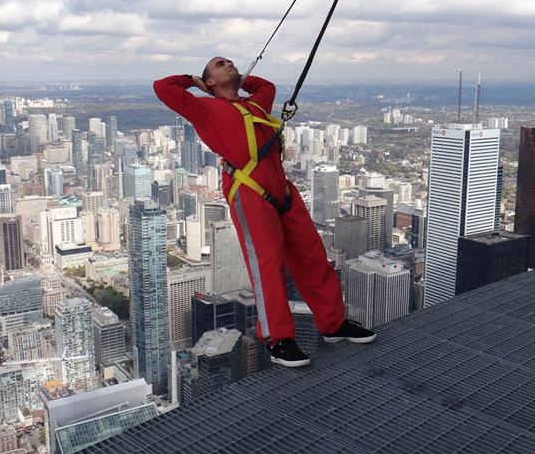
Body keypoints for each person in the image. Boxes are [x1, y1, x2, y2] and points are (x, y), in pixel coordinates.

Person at [153, 56, 375, 368]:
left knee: (313, 255)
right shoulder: (203, 109)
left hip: (282, 190)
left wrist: (239, 81)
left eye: (229, 61)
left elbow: (267, 86)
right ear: (210, 82)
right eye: (219, 64)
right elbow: (162, 87)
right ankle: (278, 339)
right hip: (249, 190)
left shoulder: (256, 104)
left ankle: (333, 324)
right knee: (267, 265)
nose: (228, 62)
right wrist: (193, 79)